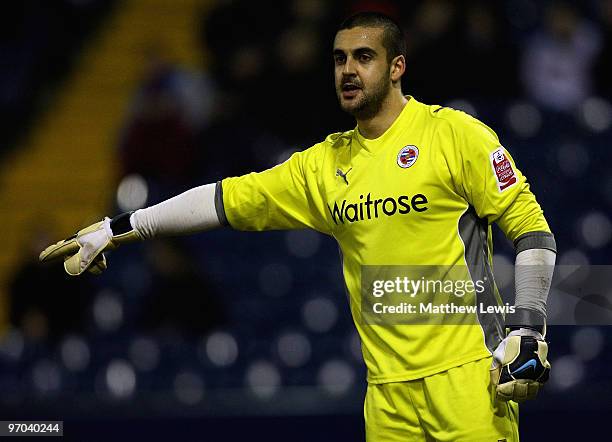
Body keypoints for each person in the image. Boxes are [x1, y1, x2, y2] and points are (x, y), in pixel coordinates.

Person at [40, 12, 556, 441]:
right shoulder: (322, 166)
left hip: (467, 381)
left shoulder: (454, 135)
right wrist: (117, 227)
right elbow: (221, 199)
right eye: (339, 59)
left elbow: (532, 231)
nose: (348, 70)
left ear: (397, 67)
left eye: (364, 57)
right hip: (387, 399)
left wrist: (528, 331)